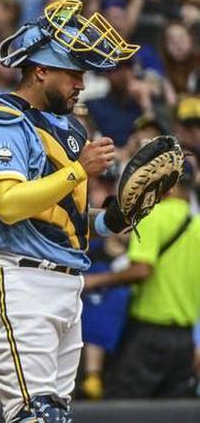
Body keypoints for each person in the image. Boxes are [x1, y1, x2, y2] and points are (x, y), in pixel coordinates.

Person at [0, 0, 139, 422]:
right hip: (17, 278)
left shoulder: (69, 128)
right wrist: (80, 170)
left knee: (54, 415)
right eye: (74, 73)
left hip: (65, 284)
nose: (82, 84)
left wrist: (113, 219)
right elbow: (8, 204)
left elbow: (66, 219)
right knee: (35, 415)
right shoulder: (0, 119)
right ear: (40, 70)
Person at [83, 160, 200, 399]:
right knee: (173, 412)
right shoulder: (197, 224)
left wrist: (94, 281)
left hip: (149, 334)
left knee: (124, 406)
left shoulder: (153, 215)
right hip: (184, 337)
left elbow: (141, 270)